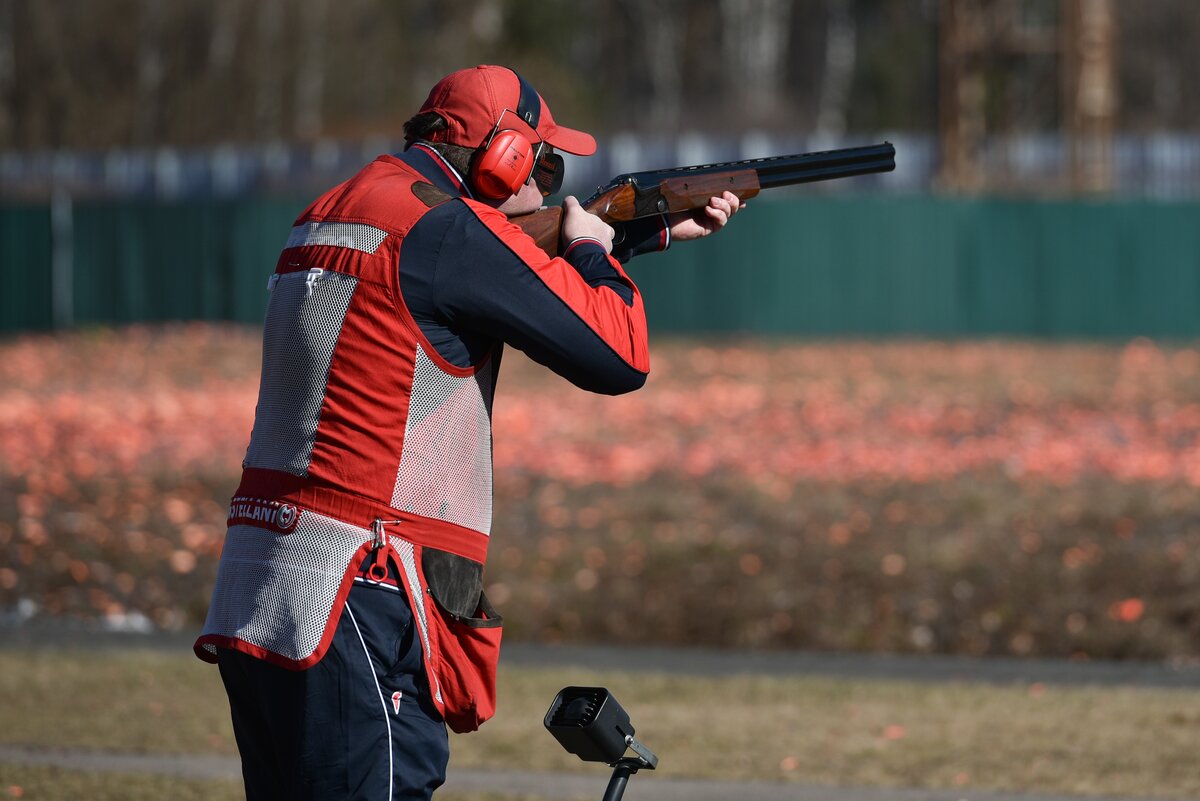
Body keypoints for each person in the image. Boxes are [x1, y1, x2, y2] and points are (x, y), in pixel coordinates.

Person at [194, 64, 741, 800]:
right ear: (503, 157)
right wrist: (588, 250)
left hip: (267, 584)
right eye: (544, 167)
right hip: (361, 589)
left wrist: (633, 239)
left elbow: (491, 281)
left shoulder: (340, 207)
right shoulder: (448, 229)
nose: (546, 190)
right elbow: (619, 356)